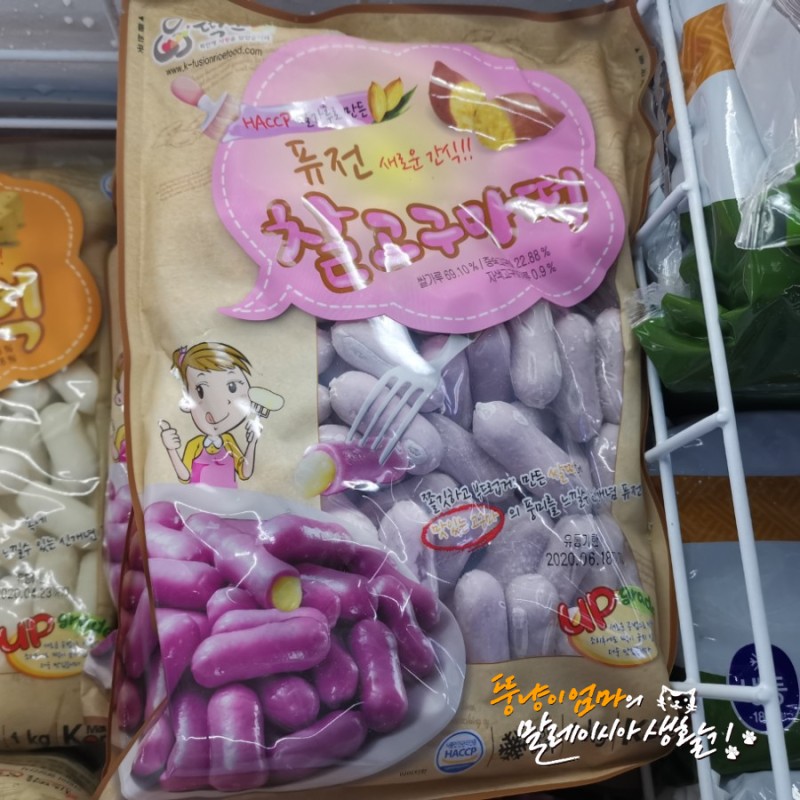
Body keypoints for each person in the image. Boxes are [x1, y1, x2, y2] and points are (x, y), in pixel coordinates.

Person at [159, 341, 261, 488]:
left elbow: (244, 473)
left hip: (232, 501)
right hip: (197, 500)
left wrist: (252, 443)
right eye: (200, 391)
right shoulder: (195, 445)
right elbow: (185, 476)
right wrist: (171, 449)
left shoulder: (229, 442)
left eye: (232, 387)